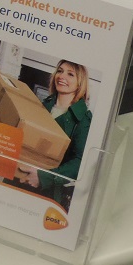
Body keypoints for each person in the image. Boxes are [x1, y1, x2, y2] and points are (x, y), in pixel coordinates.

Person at [17, 59, 92, 209]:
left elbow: (80, 161)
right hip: (19, 176)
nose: (62, 76)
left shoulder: (83, 118)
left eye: (70, 74)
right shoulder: (42, 105)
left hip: (46, 191)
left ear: (80, 83)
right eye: (60, 71)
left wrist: (43, 177)